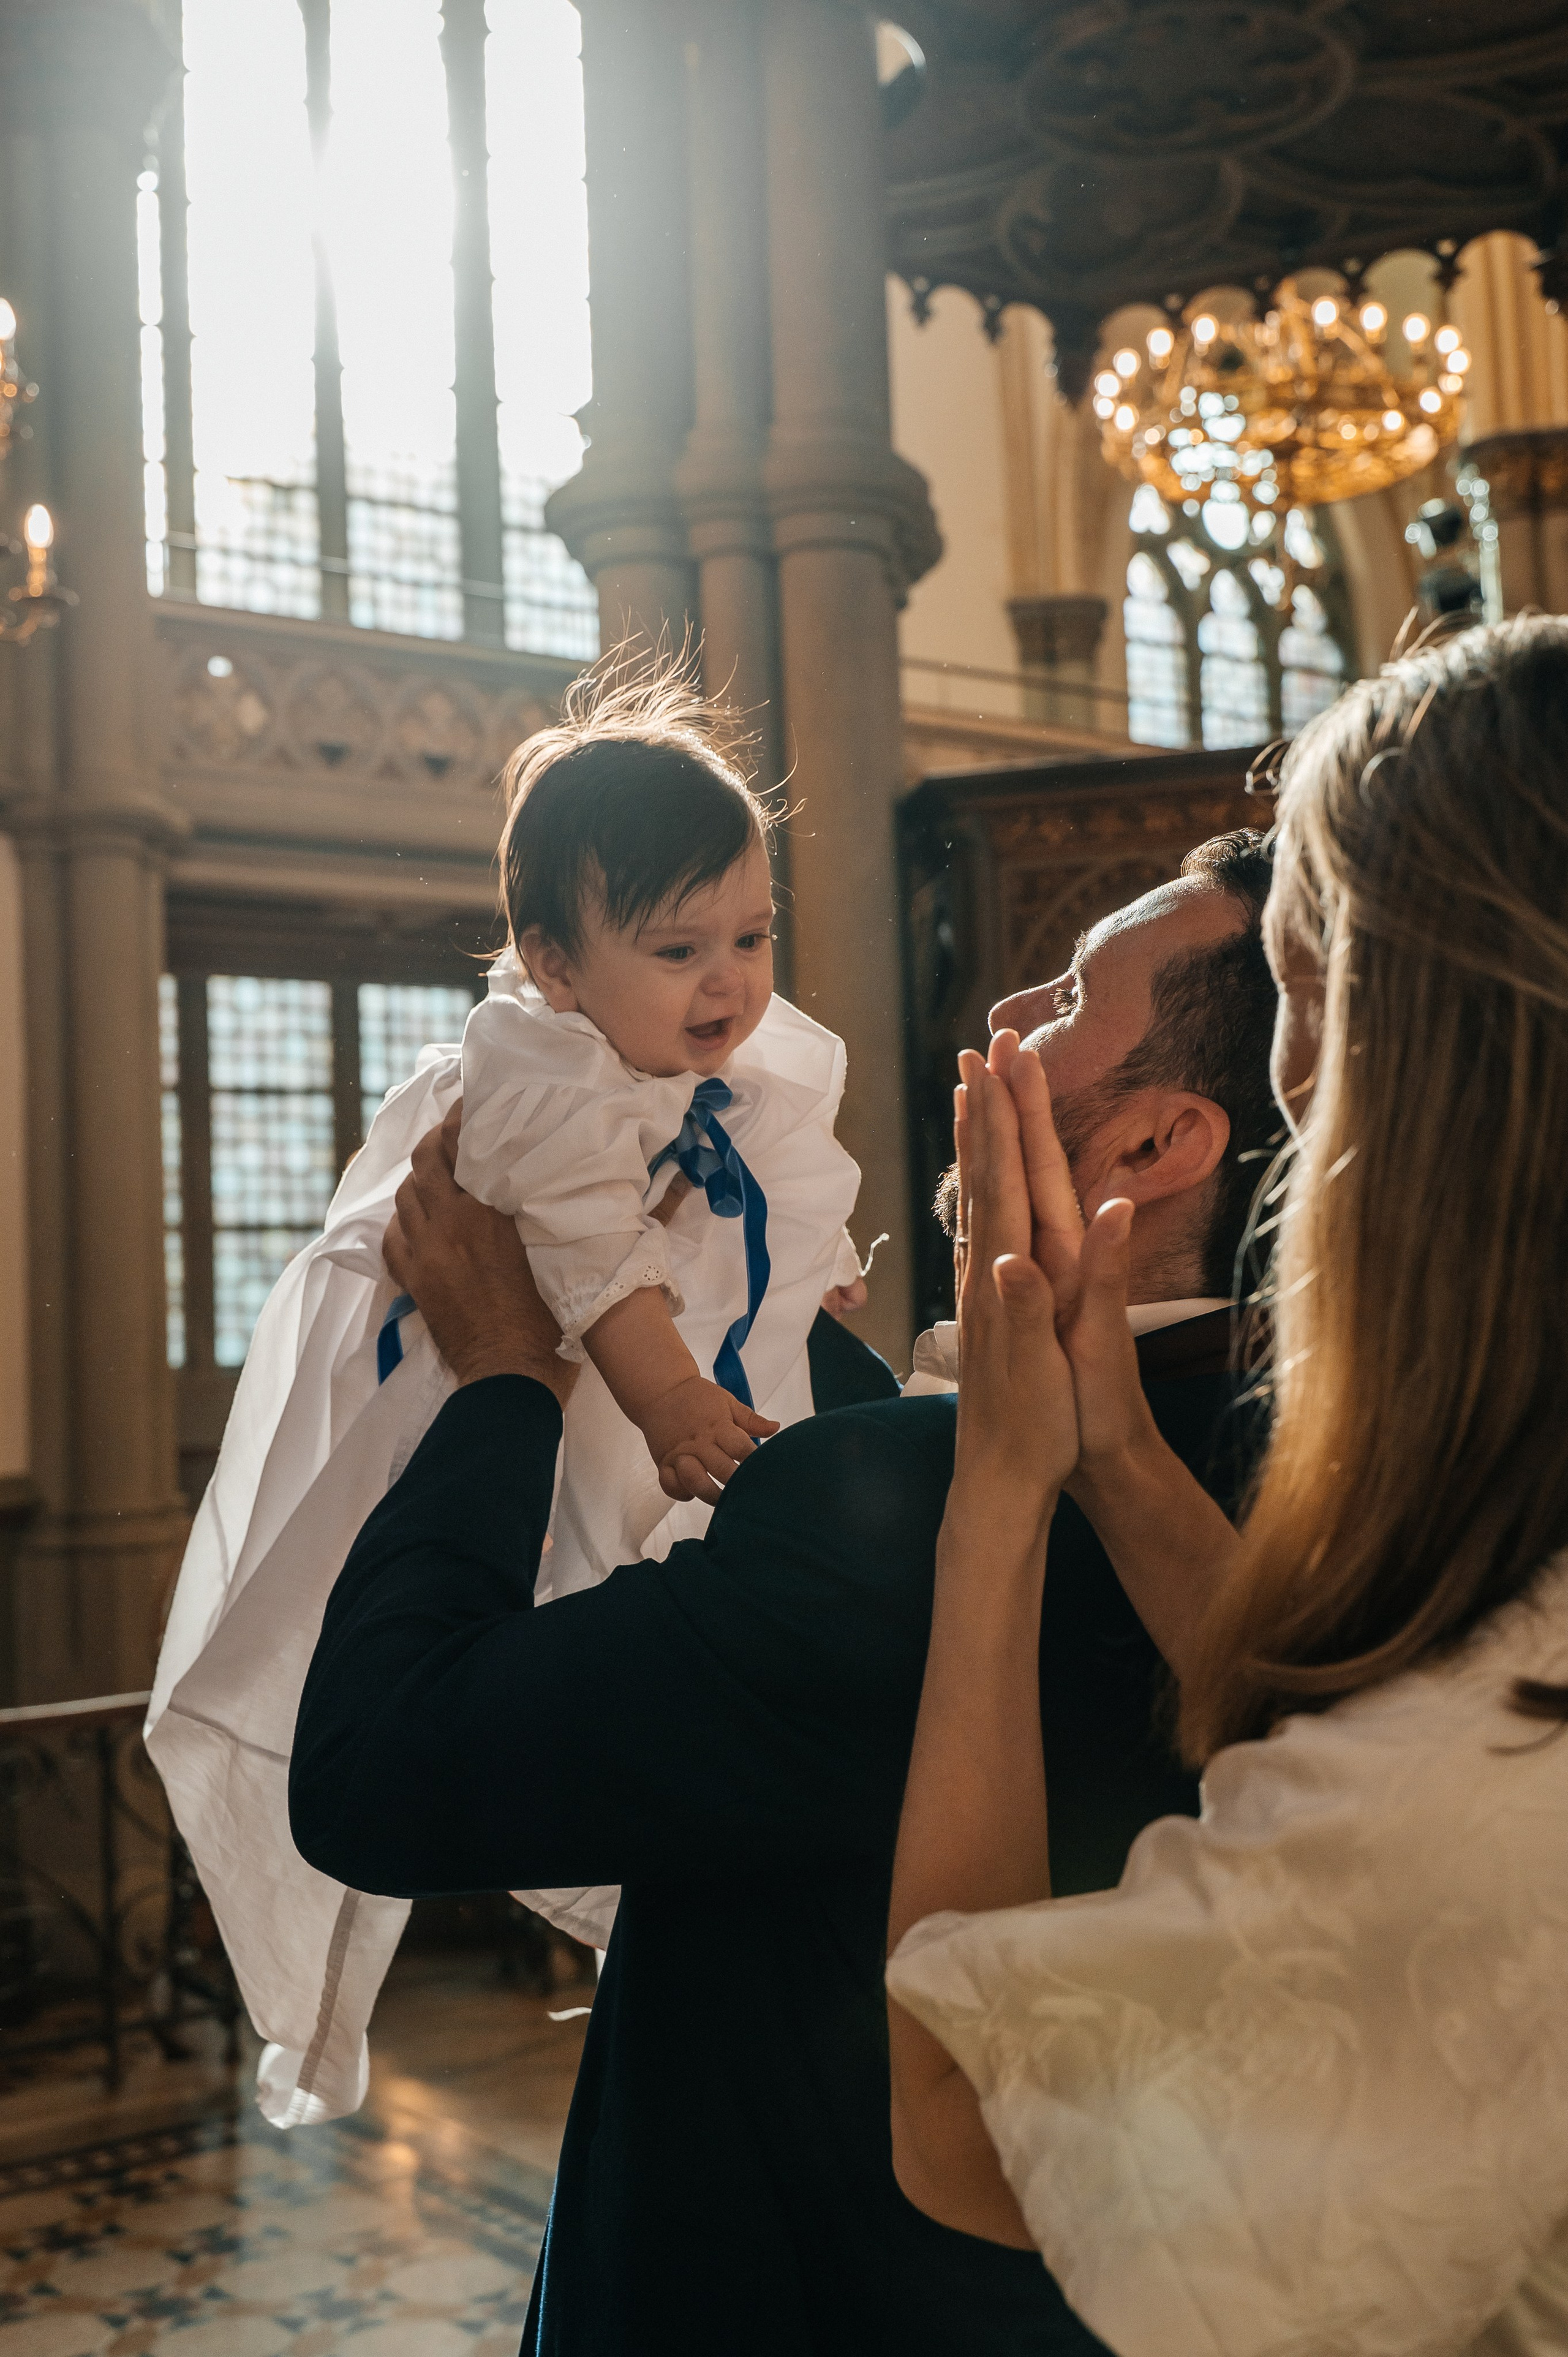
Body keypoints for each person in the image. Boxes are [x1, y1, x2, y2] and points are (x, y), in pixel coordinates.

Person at [287, 834, 1277, 2355]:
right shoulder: (1302, 1475)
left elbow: (374, 1767)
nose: (1006, 1006)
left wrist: (501, 1377)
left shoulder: (899, 1523)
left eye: (1072, 992)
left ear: (1154, 1148)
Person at [885, 616, 1568, 2356]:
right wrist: (1101, 1438)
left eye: (1299, 1009)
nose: (997, 1023)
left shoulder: (1473, 1801)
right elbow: (1346, 1718)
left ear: (1412, 1084)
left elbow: (968, 2120)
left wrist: (992, 1503)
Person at [146, 663, 862, 2127]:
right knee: (544, 1609)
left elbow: (781, 1170)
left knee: (663, 1622)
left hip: (649, 1356)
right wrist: (667, 1401)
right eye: (679, 949)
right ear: (550, 961)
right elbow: (590, 1253)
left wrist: (799, 1275)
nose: (729, 979)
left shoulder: (722, 1038)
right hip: (512, 1357)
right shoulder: (533, 1069)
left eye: (753, 932)